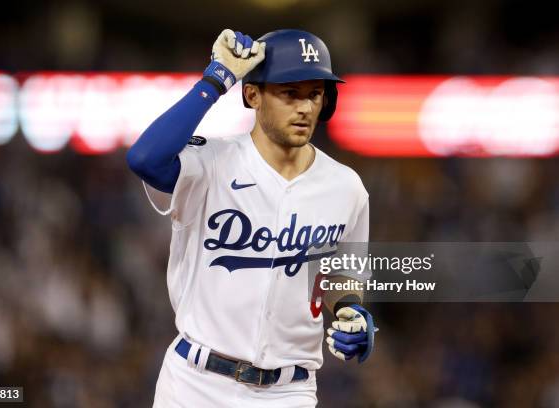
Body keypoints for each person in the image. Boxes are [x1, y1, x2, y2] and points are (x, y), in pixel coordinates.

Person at [127, 28, 376, 408]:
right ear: (252, 94)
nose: (305, 107)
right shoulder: (209, 162)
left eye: (314, 94)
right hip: (196, 385)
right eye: (289, 93)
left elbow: (343, 274)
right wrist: (215, 80)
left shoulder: (347, 187)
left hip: (288, 391)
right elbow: (144, 159)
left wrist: (349, 310)